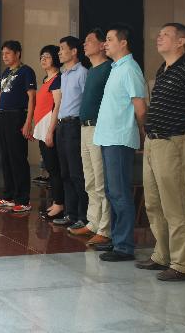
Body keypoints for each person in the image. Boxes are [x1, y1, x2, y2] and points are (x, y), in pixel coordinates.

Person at [136, 23, 185, 281]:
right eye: (159, 34)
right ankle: (162, 255)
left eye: (165, 34)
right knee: (154, 203)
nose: (159, 37)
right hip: (154, 143)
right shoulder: (163, 69)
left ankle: (182, 264)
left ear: (181, 42)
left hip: (172, 143)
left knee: (174, 205)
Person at [93, 24, 147, 262]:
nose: (105, 44)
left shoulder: (130, 69)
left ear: (123, 43)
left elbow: (140, 106)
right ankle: (116, 239)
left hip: (119, 138)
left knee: (119, 192)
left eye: (109, 39)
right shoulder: (116, 68)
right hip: (108, 137)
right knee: (111, 192)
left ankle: (124, 246)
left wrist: (144, 131)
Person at [71, 29, 113, 247]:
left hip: (99, 128)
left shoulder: (108, 68)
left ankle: (105, 228)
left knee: (100, 179)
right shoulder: (92, 70)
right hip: (84, 128)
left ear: (102, 45)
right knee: (90, 179)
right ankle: (93, 222)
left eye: (89, 41)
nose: (84, 44)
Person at [0, 40, 36, 212]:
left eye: (8, 53)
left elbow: (32, 97)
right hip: (3, 116)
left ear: (18, 53)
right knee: (6, 157)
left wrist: (28, 122)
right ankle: (8, 196)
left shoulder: (26, 71)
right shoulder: (6, 72)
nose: (5, 57)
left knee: (18, 157)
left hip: (17, 115)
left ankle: (23, 199)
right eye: (3, 54)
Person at [53, 36, 88, 230]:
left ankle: (83, 217)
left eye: (62, 48)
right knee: (65, 172)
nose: (59, 52)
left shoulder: (82, 73)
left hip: (74, 125)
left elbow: (87, 101)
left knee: (76, 173)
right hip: (62, 125)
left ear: (74, 51)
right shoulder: (64, 74)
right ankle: (70, 214)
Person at [30, 45, 64, 220]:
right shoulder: (45, 79)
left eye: (47, 56)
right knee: (50, 168)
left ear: (56, 59)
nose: (43, 59)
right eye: (41, 56)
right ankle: (56, 202)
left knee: (55, 168)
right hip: (42, 129)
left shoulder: (58, 79)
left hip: (51, 129)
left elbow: (57, 106)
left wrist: (50, 131)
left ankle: (60, 204)